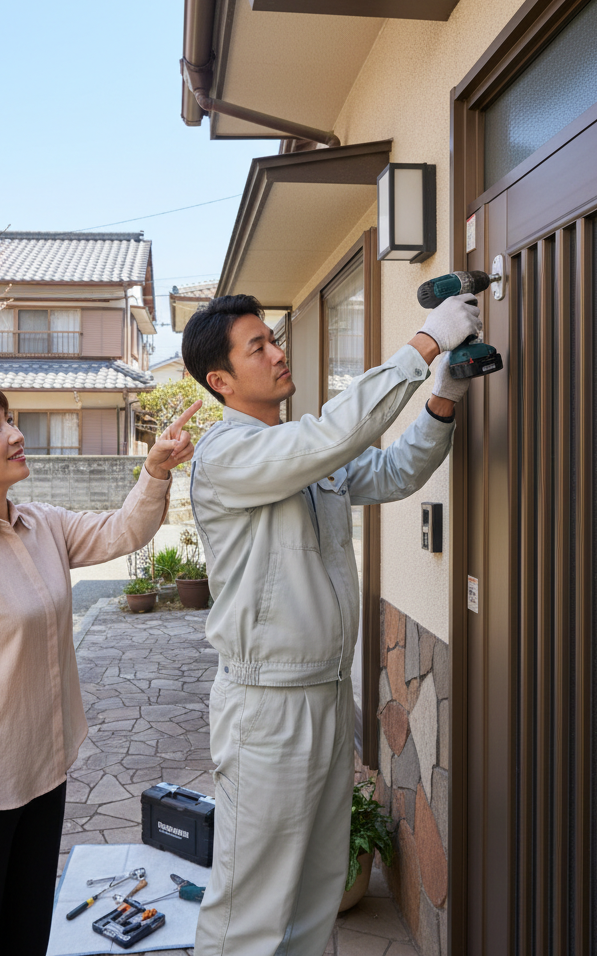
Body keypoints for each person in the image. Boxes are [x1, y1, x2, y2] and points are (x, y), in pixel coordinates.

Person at [182, 292, 480, 956]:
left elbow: (394, 471)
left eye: (273, 339)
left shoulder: (303, 454)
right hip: (265, 705)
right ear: (221, 381)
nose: (278, 352)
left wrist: (441, 400)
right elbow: (329, 436)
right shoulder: (228, 454)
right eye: (257, 346)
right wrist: (423, 345)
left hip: (321, 694)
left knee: (316, 894)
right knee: (251, 907)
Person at [0, 382, 201, 956]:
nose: (15, 434)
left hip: (40, 777)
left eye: (10, 420)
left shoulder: (40, 524)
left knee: (26, 936)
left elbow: (122, 531)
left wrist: (155, 470)